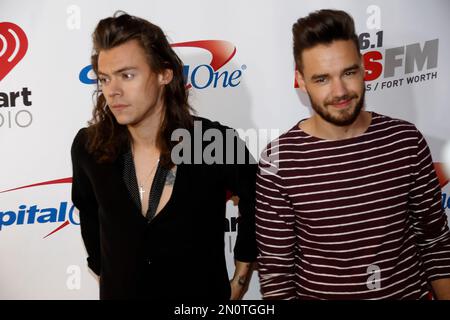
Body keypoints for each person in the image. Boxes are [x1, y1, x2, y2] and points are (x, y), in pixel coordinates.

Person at [255, 9, 450, 299]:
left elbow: (435, 241)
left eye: (348, 72)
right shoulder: (279, 160)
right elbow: (277, 274)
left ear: (363, 66)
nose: (340, 91)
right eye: (322, 79)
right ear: (301, 80)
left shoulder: (405, 140)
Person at [71, 12, 257, 300]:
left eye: (127, 75)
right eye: (105, 79)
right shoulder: (89, 146)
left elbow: (259, 199)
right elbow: (88, 212)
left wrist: (241, 278)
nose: (113, 91)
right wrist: (105, 269)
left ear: (164, 74)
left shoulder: (212, 142)